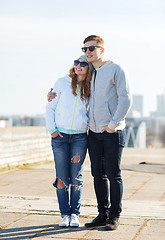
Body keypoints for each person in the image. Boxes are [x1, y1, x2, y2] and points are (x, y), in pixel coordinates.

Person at [48, 35, 132, 231]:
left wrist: (112, 124)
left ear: (101, 49)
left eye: (92, 48)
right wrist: (51, 95)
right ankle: (102, 213)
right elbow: (71, 87)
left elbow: (125, 99)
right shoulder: (91, 72)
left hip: (112, 131)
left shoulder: (116, 69)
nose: (88, 51)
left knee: (113, 174)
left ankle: (114, 216)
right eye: (85, 48)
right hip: (92, 132)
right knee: (97, 174)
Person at [46, 55, 94, 227]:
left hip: (80, 136)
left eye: (83, 64)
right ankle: (64, 214)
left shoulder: (91, 85)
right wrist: (52, 129)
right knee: (61, 177)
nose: (78, 66)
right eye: (76, 62)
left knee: (76, 178)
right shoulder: (61, 82)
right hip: (60, 137)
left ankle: (75, 214)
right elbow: (50, 106)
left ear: (89, 68)